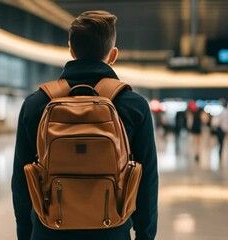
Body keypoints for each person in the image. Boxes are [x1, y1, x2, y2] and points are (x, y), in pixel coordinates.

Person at [12, 10, 158, 240]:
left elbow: (21, 182)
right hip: (112, 231)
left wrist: (26, 234)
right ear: (113, 54)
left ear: (71, 50)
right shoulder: (134, 106)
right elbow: (147, 180)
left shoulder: (36, 104)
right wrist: (145, 236)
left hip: (49, 231)